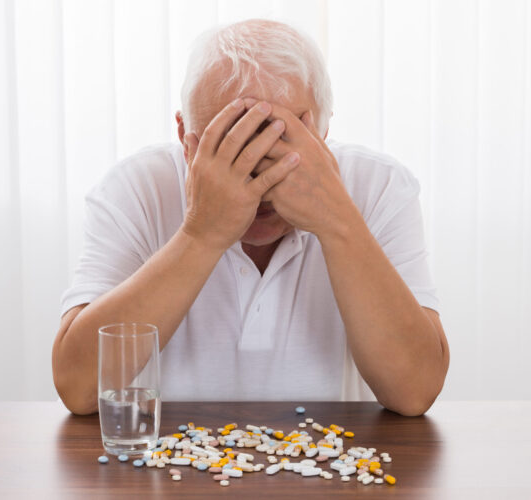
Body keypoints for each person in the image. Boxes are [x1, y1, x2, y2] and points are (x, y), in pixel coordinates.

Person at [52, 19, 449, 416]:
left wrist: (337, 222)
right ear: (184, 137)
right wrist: (201, 234)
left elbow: (414, 391)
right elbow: (79, 387)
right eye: (228, 145)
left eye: (279, 144)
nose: (257, 180)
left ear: (324, 132)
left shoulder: (380, 187)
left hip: (329, 465)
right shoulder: (136, 188)